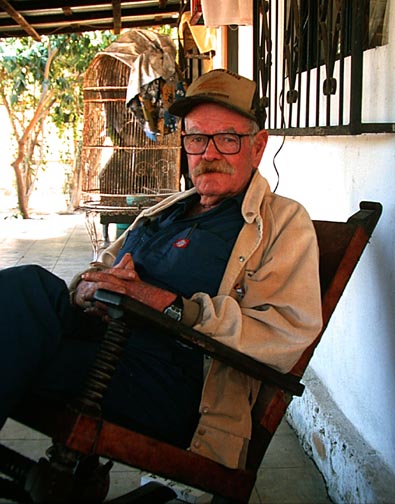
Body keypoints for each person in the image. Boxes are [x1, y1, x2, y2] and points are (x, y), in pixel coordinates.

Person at [0, 69, 322, 469]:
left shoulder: (282, 222)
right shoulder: (168, 208)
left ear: (257, 147)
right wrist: (87, 288)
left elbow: (287, 332)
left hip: (167, 382)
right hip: (102, 340)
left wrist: (162, 302)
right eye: (196, 139)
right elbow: (101, 265)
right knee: (28, 288)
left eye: (227, 139)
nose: (209, 153)